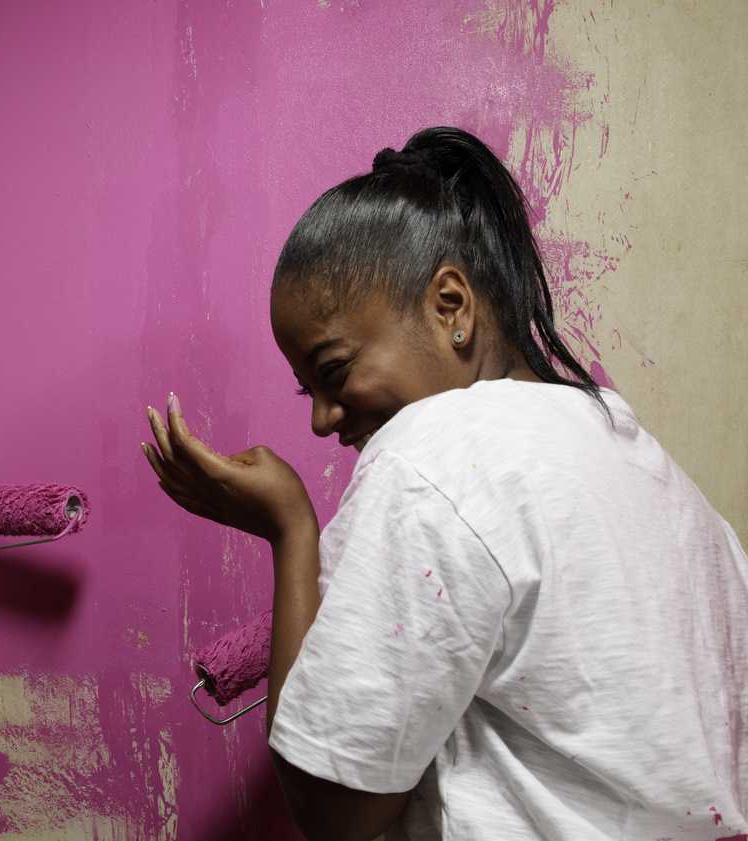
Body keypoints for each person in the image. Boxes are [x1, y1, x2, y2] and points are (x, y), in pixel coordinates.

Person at [142, 126, 747, 840]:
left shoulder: (430, 457)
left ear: (451, 306)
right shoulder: (654, 475)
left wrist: (291, 527)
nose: (321, 419)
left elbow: (333, 809)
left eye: (332, 372)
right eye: (305, 389)